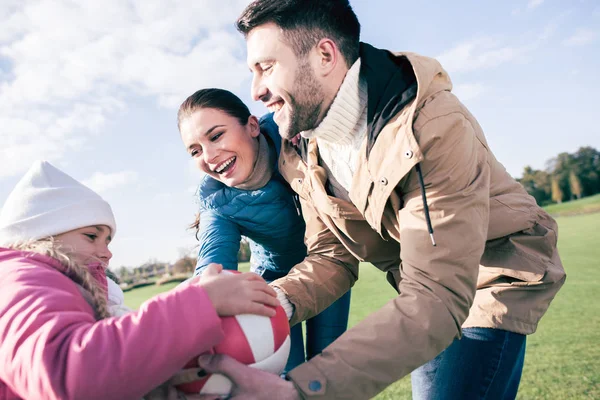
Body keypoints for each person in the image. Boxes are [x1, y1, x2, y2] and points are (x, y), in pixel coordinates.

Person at [194, 1, 567, 399]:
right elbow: (332, 257)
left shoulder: (428, 126)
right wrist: (274, 301)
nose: (256, 90)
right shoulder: (305, 143)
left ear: (324, 55)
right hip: (424, 291)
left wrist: (300, 392)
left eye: (266, 67)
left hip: (491, 275)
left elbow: (437, 298)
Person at [0, 160, 278, 400]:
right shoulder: (21, 278)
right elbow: (65, 376)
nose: (107, 252)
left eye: (108, 239)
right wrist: (202, 302)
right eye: (91, 236)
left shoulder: (57, 282)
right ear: (42, 236)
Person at [177, 88, 351, 372]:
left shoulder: (295, 136)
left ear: (252, 126)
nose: (208, 156)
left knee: (330, 367)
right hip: (270, 285)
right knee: (287, 377)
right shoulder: (217, 204)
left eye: (216, 135)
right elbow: (212, 269)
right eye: (195, 151)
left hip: (331, 265)